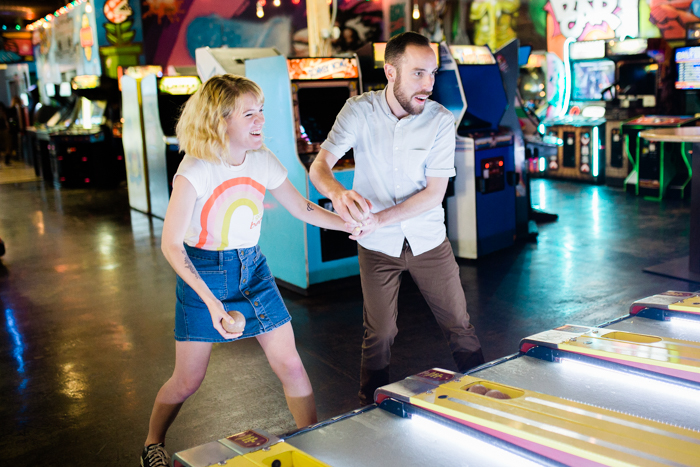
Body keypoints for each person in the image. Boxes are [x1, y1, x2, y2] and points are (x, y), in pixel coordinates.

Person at [141, 74, 366, 467]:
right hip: (203, 271)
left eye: (260, 110)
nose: (261, 120)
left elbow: (302, 208)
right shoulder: (195, 169)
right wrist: (212, 305)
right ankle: (152, 443)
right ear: (220, 119)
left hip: (252, 268)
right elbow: (171, 245)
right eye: (249, 113)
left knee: (291, 364)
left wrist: (350, 224)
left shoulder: (262, 159)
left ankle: (310, 444)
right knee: (187, 381)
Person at [309, 31, 484, 406]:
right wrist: (337, 193)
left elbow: (433, 195)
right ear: (391, 71)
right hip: (377, 248)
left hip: (428, 241)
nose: (429, 84)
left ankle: (486, 398)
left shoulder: (439, 119)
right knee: (380, 333)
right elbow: (319, 166)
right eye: (418, 73)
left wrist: (378, 219)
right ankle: (368, 407)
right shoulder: (358, 110)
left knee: (458, 324)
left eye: (433, 73)